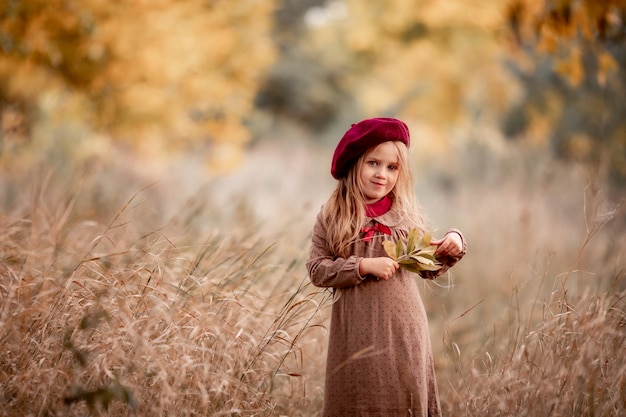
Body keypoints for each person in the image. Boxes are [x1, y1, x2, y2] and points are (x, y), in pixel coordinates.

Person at [306, 117, 466, 417]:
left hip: (404, 333)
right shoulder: (333, 217)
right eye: (373, 163)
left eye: (392, 167)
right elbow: (317, 269)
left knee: (401, 400)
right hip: (355, 335)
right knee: (357, 399)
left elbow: (428, 265)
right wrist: (363, 266)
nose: (382, 175)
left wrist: (453, 243)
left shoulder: (404, 216)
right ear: (355, 163)